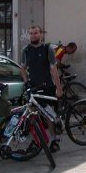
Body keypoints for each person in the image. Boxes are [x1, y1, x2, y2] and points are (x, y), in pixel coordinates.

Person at [20, 25, 63, 153]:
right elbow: (22, 69)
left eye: (36, 33)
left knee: (48, 115)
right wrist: (26, 82)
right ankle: (37, 141)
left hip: (47, 87)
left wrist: (59, 88)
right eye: (31, 33)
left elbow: (53, 69)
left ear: (41, 34)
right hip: (33, 89)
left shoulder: (47, 48)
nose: (33, 35)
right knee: (33, 116)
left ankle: (54, 140)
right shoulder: (26, 50)